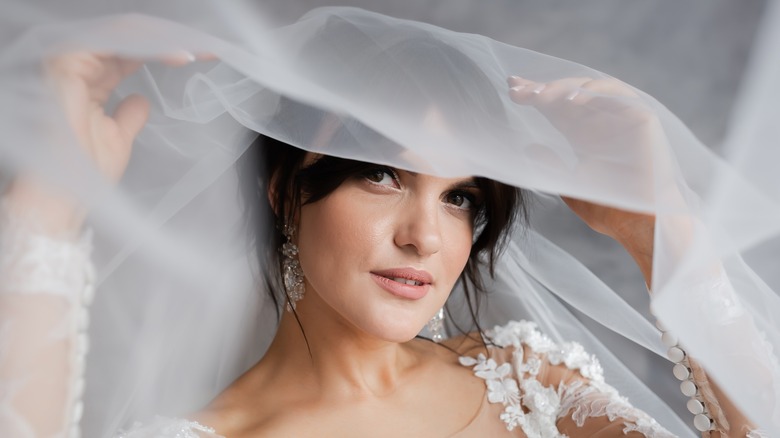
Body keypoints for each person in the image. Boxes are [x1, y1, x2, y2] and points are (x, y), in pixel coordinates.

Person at [0, 5, 777, 438]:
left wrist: (659, 227)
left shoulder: (525, 380)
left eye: (459, 197)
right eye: (381, 174)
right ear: (285, 188)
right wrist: (50, 200)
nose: (425, 237)